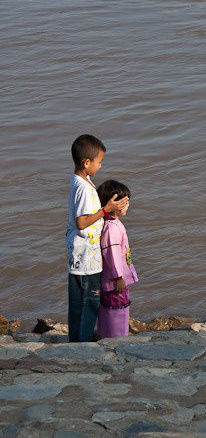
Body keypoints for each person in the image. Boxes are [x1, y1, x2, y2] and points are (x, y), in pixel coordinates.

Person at [66, 134, 129, 342]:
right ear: (86, 162)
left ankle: (77, 339)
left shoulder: (81, 181)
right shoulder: (84, 188)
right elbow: (82, 222)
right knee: (88, 302)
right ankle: (81, 344)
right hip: (85, 260)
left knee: (80, 304)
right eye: (99, 162)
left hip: (82, 256)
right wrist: (106, 209)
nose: (100, 166)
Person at [96, 180, 138, 338]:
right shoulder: (112, 229)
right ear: (116, 204)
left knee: (116, 311)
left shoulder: (112, 224)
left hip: (115, 281)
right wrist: (118, 277)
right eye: (126, 201)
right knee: (116, 313)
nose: (129, 204)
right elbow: (112, 255)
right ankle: (116, 339)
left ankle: (110, 337)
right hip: (114, 282)